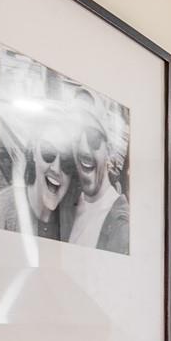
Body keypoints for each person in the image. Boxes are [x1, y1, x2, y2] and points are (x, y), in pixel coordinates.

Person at [67, 107, 130, 254]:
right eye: (76, 137)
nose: (83, 149)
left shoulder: (120, 225)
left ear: (108, 150)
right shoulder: (67, 203)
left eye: (93, 139)